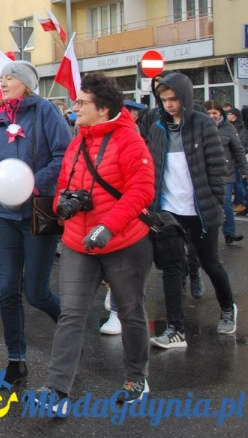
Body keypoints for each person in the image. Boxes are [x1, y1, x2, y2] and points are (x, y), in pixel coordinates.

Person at [35, 72, 156, 410]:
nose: (75, 107)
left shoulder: (129, 141)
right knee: (71, 314)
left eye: (81, 102)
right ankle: (56, 390)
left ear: (103, 108)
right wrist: (62, 203)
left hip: (124, 241)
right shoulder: (78, 141)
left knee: (131, 312)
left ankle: (136, 377)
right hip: (77, 240)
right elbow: (64, 181)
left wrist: (108, 226)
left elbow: (142, 190)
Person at [0, 60, 71, 386]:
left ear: (26, 82)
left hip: (37, 213)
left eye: (9, 77)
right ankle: (16, 361)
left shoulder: (45, 111)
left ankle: (72, 332)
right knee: (7, 291)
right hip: (4, 215)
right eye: (1, 77)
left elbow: (64, 155)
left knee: (35, 292)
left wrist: (32, 184)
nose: (2, 82)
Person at [147, 73, 237, 349]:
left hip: (199, 209)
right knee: (173, 268)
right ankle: (176, 329)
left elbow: (217, 169)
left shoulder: (202, 124)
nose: (169, 105)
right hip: (169, 211)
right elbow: (153, 168)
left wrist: (214, 200)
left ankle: (227, 308)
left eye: (174, 99)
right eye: (164, 100)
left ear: (184, 97)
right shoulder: (158, 129)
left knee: (210, 263)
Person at [205, 100, 247, 243]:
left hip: (225, 172)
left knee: (226, 202)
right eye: (209, 113)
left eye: (215, 113)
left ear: (220, 113)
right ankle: (205, 234)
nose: (212, 116)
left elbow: (238, 150)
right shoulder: (199, 126)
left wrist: (244, 168)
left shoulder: (228, 128)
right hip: (204, 173)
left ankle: (229, 233)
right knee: (207, 204)